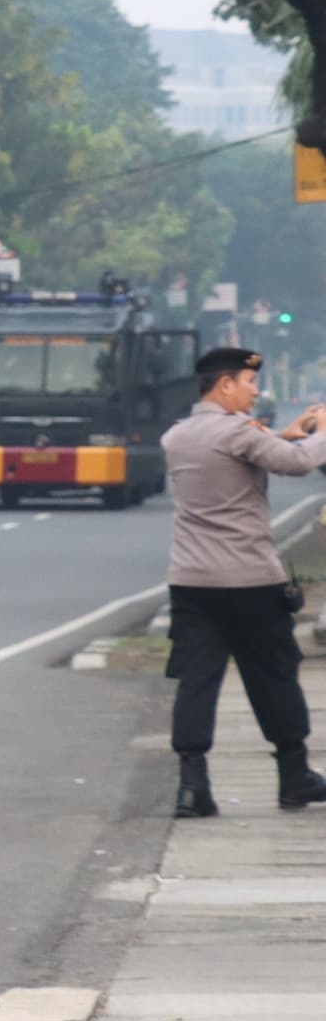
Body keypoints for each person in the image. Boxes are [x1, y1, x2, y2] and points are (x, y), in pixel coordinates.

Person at [162, 344, 326, 816]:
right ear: (225, 384)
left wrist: (283, 433)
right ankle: (295, 778)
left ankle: (192, 787)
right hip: (250, 581)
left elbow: (231, 448)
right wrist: (318, 434)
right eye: (250, 383)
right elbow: (295, 463)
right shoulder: (240, 433)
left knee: (196, 680)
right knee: (274, 676)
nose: (256, 392)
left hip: (191, 583)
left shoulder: (178, 436)